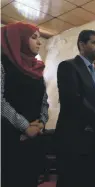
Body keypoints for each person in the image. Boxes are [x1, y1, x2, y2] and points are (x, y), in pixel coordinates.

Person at [55, 30, 95, 187]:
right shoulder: (68, 66)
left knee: (89, 180)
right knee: (71, 180)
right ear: (81, 44)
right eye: (94, 43)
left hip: (94, 139)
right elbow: (74, 101)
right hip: (74, 138)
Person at [1, 22, 49, 187]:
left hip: (34, 136)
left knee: (30, 178)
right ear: (19, 39)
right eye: (34, 37)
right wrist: (25, 126)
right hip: (9, 136)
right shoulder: (3, 64)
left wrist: (42, 122)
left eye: (40, 38)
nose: (39, 42)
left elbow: (44, 100)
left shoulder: (36, 69)